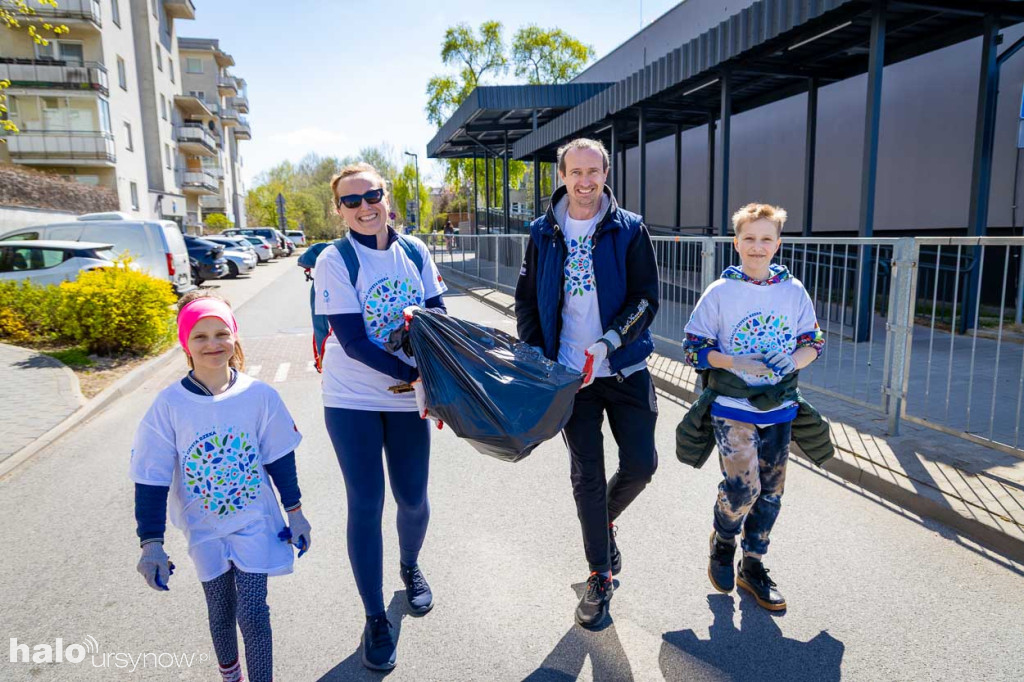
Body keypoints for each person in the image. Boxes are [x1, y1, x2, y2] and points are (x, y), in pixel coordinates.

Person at [514, 138, 660, 629]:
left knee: (642, 464)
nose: (584, 181)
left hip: (624, 367)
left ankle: (603, 523)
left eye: (592, 171)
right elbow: (528, 303)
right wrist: (539, 359)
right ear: (561, 176)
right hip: (571, 377)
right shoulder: (541, 232)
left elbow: (645, 299)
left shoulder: (630, 229)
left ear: (605, 171)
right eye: (574, 172)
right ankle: (600, 575)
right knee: (587, 476)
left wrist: (610, 342)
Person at [130, 291, 312, 682]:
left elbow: (279, 455)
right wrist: (152, 543)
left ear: (234, 337)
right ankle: (231, 675)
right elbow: (151, 476)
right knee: (220, 608)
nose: (213, 344)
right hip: (204, 528)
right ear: (185, 344)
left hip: (253, 521)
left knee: (253, 610)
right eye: (200, 337)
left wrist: (295, 513)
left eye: (220, 334)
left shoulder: (259, 396)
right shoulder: (169, 406)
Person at [314, 162, 448, 671]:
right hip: (352, 398)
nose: (365, 207)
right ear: (340, 210)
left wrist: (439, 378)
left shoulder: (414, 251)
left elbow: (440, 318)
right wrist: (413, 374)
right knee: (366, 502)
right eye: (352, 201)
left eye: (372, 196)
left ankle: (410, 567)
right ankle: (375, 618)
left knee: (413, 499)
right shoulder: (335, 259)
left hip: (409, 397)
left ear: (386, 197)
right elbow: (351, 341)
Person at [680, 203, 829, 612]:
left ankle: (754, 565)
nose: (758, 246)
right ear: (736, 243)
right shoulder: (720, 293)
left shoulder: (794, 291)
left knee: (771, 494)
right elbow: (693, 348)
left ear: (778, 244)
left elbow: (812, 341)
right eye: (749, 238)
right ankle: (723, 540)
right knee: (743, 490)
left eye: (766, 239)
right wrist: (731, 362)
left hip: (779, 409)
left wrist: (794, 361)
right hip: (732, 408)